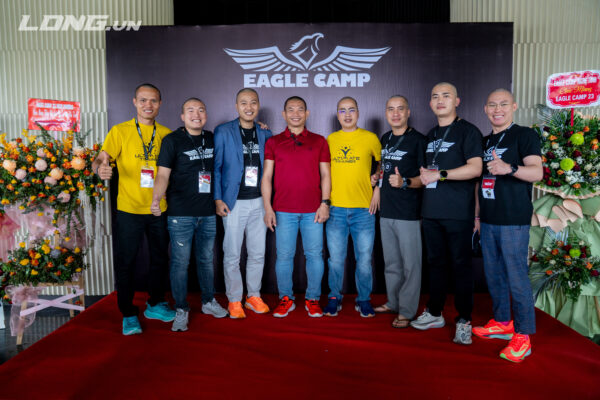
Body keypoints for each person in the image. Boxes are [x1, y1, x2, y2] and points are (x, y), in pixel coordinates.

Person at [92, 83, 175, 335]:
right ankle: (128, 314)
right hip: (129, 209)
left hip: (158, 208)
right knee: (126, 262)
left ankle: (155, 304)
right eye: (143, 100)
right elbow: (101, 158)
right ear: (135, 102)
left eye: (153, 100)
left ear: (160, 104)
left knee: (159, 259)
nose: (148, 105)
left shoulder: (166, 134)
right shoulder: (120, 131)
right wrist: (99, 168)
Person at [473, 89, 542, 362]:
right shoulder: (485, 141)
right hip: (489, 219)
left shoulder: (524, 135)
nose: (497, 109)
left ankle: (523, 335)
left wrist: (510, 168)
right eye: (492, 105)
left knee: (516, 277)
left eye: (503, 104)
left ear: (513, 106)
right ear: (485, 109)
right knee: (494, 275)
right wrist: (477, 218)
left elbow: (536, 172)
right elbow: (480, 182)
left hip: (513, 219)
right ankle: (503, 322)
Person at [412, 82, 483, 346]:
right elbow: (424, 173)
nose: (440, 100)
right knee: (436, 265)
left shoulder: (468, 131)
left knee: (461, 267)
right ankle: (434, 312)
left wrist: (440, 175)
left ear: (457, 101)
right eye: (435, 96)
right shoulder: (430, 135)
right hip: (431, 211)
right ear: (430, 103)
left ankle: (464, 320)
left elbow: (475, 168)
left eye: (446, 95)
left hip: (458, 212)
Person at [151, 98, 228, 332]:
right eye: (191, 111)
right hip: (181, 214)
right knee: (180, 263)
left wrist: (260, 126)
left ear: (206, 115)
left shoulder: (213, 138)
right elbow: (162, 174)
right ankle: (181, 308)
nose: (197, 114)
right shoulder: (172, 140)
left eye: (201, 110)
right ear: (182, 117)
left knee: (206, 260)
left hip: (208, 213)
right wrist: (156, 198)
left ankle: (208, 301)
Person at [261, 96, 331, 318]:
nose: (295, 113)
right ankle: (286, 298)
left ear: (307, 113)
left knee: (315, 256)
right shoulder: (273, 142)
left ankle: (312, 299)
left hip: (313, 210)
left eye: (300, 109)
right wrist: (268, 208)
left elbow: (326, 175)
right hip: (283, 210)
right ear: (284, 114)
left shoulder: (319, 141)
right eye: (290, 109)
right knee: (284, 256)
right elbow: (266, 177)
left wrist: (325, 203)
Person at [213, 88, 272, 319]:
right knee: (232, 254)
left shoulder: (265, 133)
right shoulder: (223, 131)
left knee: (258, 253)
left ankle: (253, 296)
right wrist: (218, 198)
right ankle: (235, 299)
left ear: (258, 106)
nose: (249, 107)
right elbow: (216, 167)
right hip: (233, 202)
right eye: (244, 103)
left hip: (259, 201)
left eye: (253, 102)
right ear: (236, 106)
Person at [370, 95, 426, 328]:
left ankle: (407, 310)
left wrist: (405, 182)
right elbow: (383, 167)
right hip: (387, 210)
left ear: (408, 112)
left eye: (400, 109)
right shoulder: (386, 138)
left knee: (411, 265)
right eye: (391, 109)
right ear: (386, 113)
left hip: (408, 211)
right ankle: (393, 302)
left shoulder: (419, 140)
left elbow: (425, 177)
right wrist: (377, 178)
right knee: (391, 263)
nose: (395, 113)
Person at [324, 97, 382, 318]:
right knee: (335, 260)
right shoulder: (331, 140)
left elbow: (382, 162)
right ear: (337, 114)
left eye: (351, 110)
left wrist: (377, 184)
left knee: (364, 260)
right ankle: (334, 297)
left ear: (358, 112)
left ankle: (364, 299)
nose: (347, 114)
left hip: (363, 210)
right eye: (342, 110)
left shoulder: (370, 138)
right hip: (336, 209)